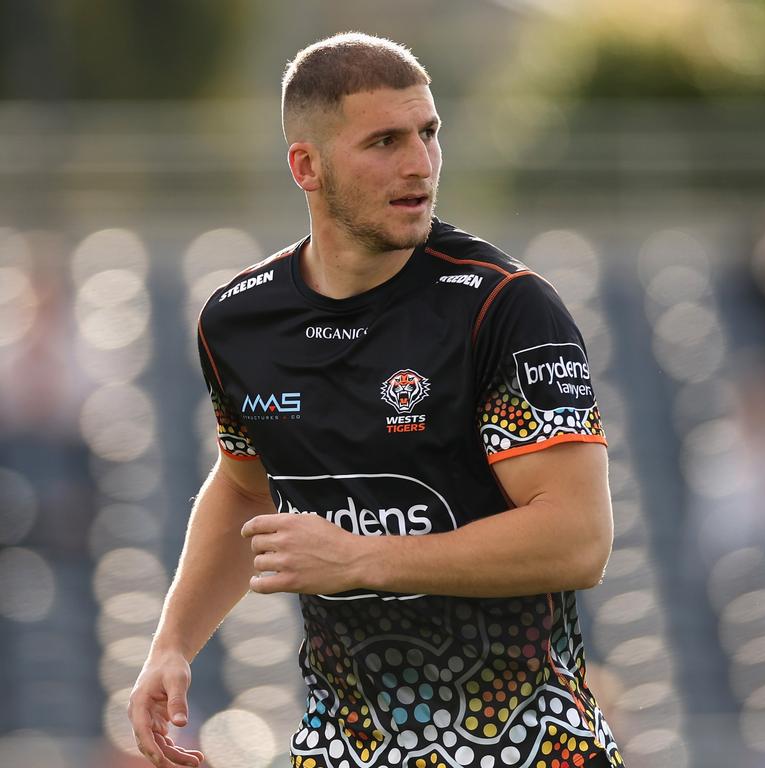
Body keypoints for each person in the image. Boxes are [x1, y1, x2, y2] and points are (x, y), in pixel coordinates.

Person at [128, 32, 624, 768]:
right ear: (307, 166)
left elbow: (578, 539)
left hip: (527, 750)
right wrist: (172, 642)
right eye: (385, 141)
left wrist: (365, 558)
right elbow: (244, 487)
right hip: (341, 750)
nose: (419, 163)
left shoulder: (504, 308)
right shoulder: (238, 324)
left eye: (429, 134)